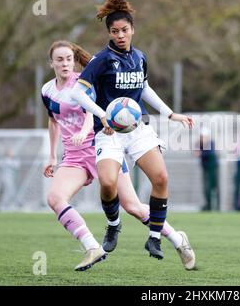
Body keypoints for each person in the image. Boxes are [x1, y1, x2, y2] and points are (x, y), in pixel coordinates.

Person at [42, 41, 195, 271]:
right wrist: (53, 156)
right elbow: (53, 121)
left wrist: (85, 131)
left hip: (99, 148)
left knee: (133, 206)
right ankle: (92, 247)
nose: (65, 63)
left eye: (69, 59)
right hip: (75, 158)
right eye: (60, 59)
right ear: (51, 62)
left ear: (74, 61)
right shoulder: (47, 90)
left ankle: (177, 239)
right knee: (54, 198)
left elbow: (90, 110)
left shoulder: (83, 83)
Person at [68, 0, 194, 260]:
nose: (120, 35)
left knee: (161, 178)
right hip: (109, 132)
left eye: (124, 30)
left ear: (132, 30)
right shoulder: (102, 60)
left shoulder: (140, 57)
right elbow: (77, 92)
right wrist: (102, 114)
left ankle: (154, 239)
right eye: (114, 31)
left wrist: (171, 113)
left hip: (138, 130)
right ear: (110, 33)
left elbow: (144, 88)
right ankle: (113, 226)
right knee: (108, 183)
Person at [194, 128, 219, 211]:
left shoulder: (210, 143)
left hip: (213, 169)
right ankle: (208, 205)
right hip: (205, 168)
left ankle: (216, 206)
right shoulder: (200, 144)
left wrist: (201, 153)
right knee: (206, 188)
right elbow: (195, 152)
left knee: (214, 187)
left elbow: (209, 153)